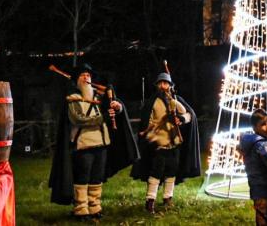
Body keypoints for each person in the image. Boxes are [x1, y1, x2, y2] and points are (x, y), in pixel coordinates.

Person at [49, 63, 139, 220]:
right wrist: (102, 117)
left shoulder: (99, 97)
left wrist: (118, 107)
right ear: (77, 80)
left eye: (88, 75)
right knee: (82, 177)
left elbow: (114, 105)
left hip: (102, 143)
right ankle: (81, 209)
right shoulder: (73, 99)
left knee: (96, 177)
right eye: (83, 75)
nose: (86, 77)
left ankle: (95, 207)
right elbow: (78, 120)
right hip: (83, 145)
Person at [131, 71, 200, 214]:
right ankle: (150, 201)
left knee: (172, 171)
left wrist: (181, 119)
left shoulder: (175, 100)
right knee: (156, 172)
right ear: (157, 85)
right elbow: (148, 123)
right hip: (159, 143)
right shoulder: (152, 102)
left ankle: (168, 198)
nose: (164, 86)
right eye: (161, 83)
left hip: (173, 142)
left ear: (170, 85)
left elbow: (188, 114)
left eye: (166, 83)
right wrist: (150, 135)